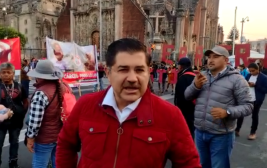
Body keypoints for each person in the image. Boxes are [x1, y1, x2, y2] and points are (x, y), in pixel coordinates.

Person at [56, 38, 201, 168]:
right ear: (108, 72)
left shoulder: (170, 115)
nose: (132, 78)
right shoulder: (86, 105)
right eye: (123, 69)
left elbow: (188, 163)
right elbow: (65, 144)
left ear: (148, 72)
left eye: (139, 70)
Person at [185, 46, 253, 168]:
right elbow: (187, 96)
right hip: (200, 132)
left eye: (215, 57)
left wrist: (227, 112)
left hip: (221, 135)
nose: (210, 60)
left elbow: (248, 106)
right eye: (209, 57)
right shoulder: (202, 76)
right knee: (201, 165)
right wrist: (196, 86)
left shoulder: (237, 79)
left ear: (226, 60)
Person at [0, 63, 29, 168]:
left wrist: (22, 113)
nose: (6, 74)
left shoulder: (19, 86)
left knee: (14, 142)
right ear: (0, 74)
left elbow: (25, 101)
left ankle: (13, 162)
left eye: (8, 72)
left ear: (13, 74)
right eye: (3, 72)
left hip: (16, 121)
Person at [25, 60, 66, 168]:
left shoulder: (41, 93)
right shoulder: (62, 87)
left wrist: (30, 138)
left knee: (39, 164)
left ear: (40, 76)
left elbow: (35, 120)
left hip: (44, 137)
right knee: (57, 163)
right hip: (59, 134)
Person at [235, 63, 267, 140]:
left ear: (258, 69)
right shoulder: (248, 76)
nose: (251, 72)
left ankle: (253, 132)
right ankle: (237, 129)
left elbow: (265, 90)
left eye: (253, 71)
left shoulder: (264, 78)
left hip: (256, 99)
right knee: (241, 113)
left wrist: (255, 85)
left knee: (254, 115)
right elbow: (244, 84)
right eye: (250, 71)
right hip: (247, 98)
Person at [174, 58, 196, 139]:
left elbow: (181, 97)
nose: (178, 67)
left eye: (179, 65)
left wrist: (178, 110)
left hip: (184, 110)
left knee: (186, 132)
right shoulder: (194, 76)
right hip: (193, 108)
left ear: (182, 66)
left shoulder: (183, 77)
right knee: (191, 130)